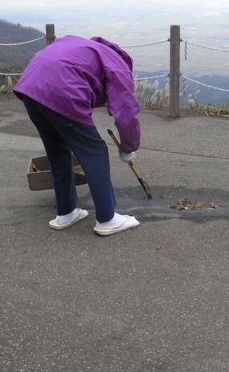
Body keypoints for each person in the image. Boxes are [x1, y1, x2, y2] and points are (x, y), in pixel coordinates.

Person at [13, 34, 141, 236]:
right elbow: (126, 112)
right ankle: (107, 219)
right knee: (95, 151)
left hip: (30, 89)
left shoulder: (79, 44)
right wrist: (128, 147)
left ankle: (66, 213)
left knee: (57, 149)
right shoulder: (118, 64)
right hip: (62, 92)